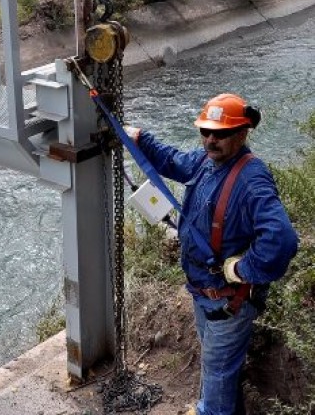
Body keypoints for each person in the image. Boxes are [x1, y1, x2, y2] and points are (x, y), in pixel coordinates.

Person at [126, 93, 298, 415]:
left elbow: (282, 240)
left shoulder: (251, 179)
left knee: (216, 383)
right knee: (220, 374)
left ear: (243, 133)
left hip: (228, 303)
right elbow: (173, 161)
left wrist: (242, 270)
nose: (210, 139)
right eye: (205, 131)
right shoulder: (207, 161)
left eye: (220, 133)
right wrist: (138, 137)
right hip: (204, 296)